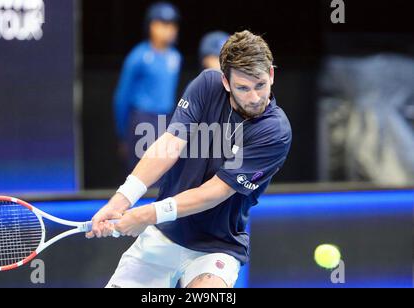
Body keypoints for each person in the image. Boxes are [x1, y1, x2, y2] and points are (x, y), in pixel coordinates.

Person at [88, 30, 292, 288]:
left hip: (217, 247)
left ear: (271, 75)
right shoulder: (207, 85)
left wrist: (148, 214)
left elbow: (215, 192)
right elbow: (169, 145)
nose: (254, 97)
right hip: (163, 235)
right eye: (242, 87)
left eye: (260, 85)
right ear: (226, 82)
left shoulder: (275, 132)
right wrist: (122, 199)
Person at [113, 2, 182, 172]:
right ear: (152, 26)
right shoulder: (138, 56)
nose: (170, 29)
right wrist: (122, 133)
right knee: (141, 172)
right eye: (164, 24)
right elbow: (122, 96)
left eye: (173, 24)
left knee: (165, 172)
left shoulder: (176, 57)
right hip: (142, 119)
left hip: (166, 120)